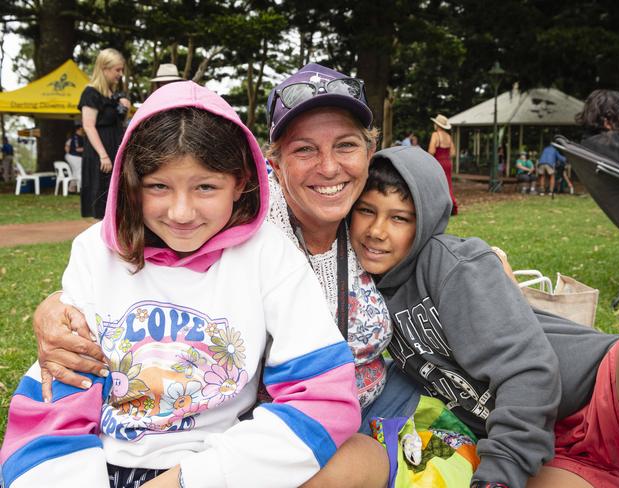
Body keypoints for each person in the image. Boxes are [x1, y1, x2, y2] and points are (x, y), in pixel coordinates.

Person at [27, 63, 418, 488]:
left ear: (240, 182)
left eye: (345, 146)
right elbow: (58, 395)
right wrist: (55, 309)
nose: (181, 212)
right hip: (110, 460)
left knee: (365, 460)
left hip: (226, 461)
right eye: (305, 149)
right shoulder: (98, 252)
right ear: (272, 163)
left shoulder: (355, 231)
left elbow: (324, 395)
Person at [349, 144, 619, 488]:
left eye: (399, 217)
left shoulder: (451, 265)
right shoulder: (366, 294)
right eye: (366, 211)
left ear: (426, 219)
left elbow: (530, 372)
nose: (376, 230)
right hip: (554, 448)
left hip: (602, 396)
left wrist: (498, 476)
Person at [79, 48, 131, 219]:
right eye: (117, 70)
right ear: (104, 68)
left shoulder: (114, 95)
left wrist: (125, 108)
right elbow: (88, 126)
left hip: (115, 148)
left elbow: (120, 123)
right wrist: (103, 155)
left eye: (121, 69)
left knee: (116, 198)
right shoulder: (91, 93)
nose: (120, 74)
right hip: (100, 154)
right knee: (100, 198)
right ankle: (99, 240)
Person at [427, 114, 458, 214]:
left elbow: (431, 151)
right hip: (447, 162)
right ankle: (451, 206)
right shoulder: (448, 136)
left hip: (438, 162)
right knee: (448, 185)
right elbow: (453, 153)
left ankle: (438, 207)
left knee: (436, 184)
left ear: (437, 125)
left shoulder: (435, 135)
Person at [64, 121, 84, 190]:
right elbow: (77, 149)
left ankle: (71, 188)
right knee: (79, 172)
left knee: (75, 172)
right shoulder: (76, 137)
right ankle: (80, 188)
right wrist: (88, 149)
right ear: (80, 128)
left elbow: (67, 147)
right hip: (75, 156)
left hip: (74, 156)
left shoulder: (77, 137)